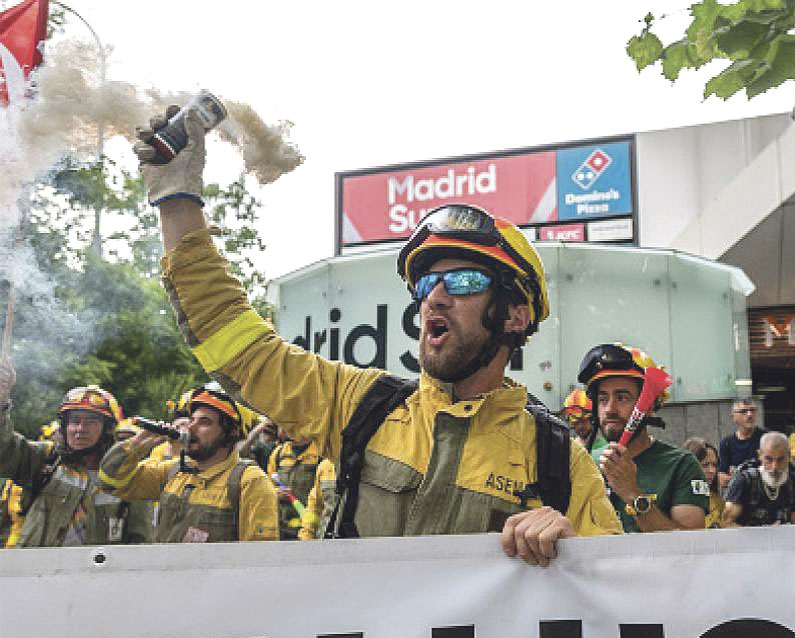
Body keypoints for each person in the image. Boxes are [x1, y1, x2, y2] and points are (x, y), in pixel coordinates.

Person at [133, 110, 618, 565]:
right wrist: (177, 201)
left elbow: (627, 598)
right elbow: (238, 345)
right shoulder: (361, 404)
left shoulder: (559, 459)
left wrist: (574, 552)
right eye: (427, 284)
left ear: (515, 316)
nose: (436, 297)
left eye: (465, 282)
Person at [99, 382, 279, 542]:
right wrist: (135, 446)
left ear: (231, 432)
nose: (191, 427)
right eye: (192, 420)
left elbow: (259, 561)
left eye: (205, 422)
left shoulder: (250, 482)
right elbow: (111, 483)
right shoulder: (174, 471)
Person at [0, 370, 153, 547]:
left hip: (95, 574)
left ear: (108, 429)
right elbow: (4, 448)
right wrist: (1, 400)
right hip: (37, 572)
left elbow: (142, 544)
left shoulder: (130, 477)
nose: (80, 429)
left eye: (90, 421)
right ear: (64, 427)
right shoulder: (44, 460)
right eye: (74, 421)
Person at [581, 343, 708, 532]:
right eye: (603, 399)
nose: (610, 409)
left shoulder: (681, 465)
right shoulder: (583, 463)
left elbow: (691, 548)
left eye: (622, 397)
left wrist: (633, 493)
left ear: (648, 406)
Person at [723, 431, 795, 527]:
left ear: (789, 456)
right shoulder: (745, 480)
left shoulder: (792, 482)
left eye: (780, 459)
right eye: (769, 459)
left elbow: (793, 522)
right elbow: (726, 522)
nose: (774, 467)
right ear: (759, 455)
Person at [266, 431, 320, 539]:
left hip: (310, 527)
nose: (283, 429)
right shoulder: (278, 453)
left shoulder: (320, 453)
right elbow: (267, 487)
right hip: (282, 528)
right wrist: (276, 492)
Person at [716, 398, 764, 493]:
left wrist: (736, 475)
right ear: (733, 417)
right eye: (743, 411)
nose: (749, 414)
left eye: (752, 410)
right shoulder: (726, 443)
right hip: (738, 497)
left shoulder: (767, 439)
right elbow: (723, 480)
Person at [683, 437, 724, 529]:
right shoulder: (677, 498)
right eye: (705, 465)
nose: (712, 471)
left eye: (715, 465)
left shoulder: (717, 499)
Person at [297, 457, 337, 540]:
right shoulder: (326, 466)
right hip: (327, 541)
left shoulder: (370, 462)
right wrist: (306, 536)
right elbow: (314, 507)